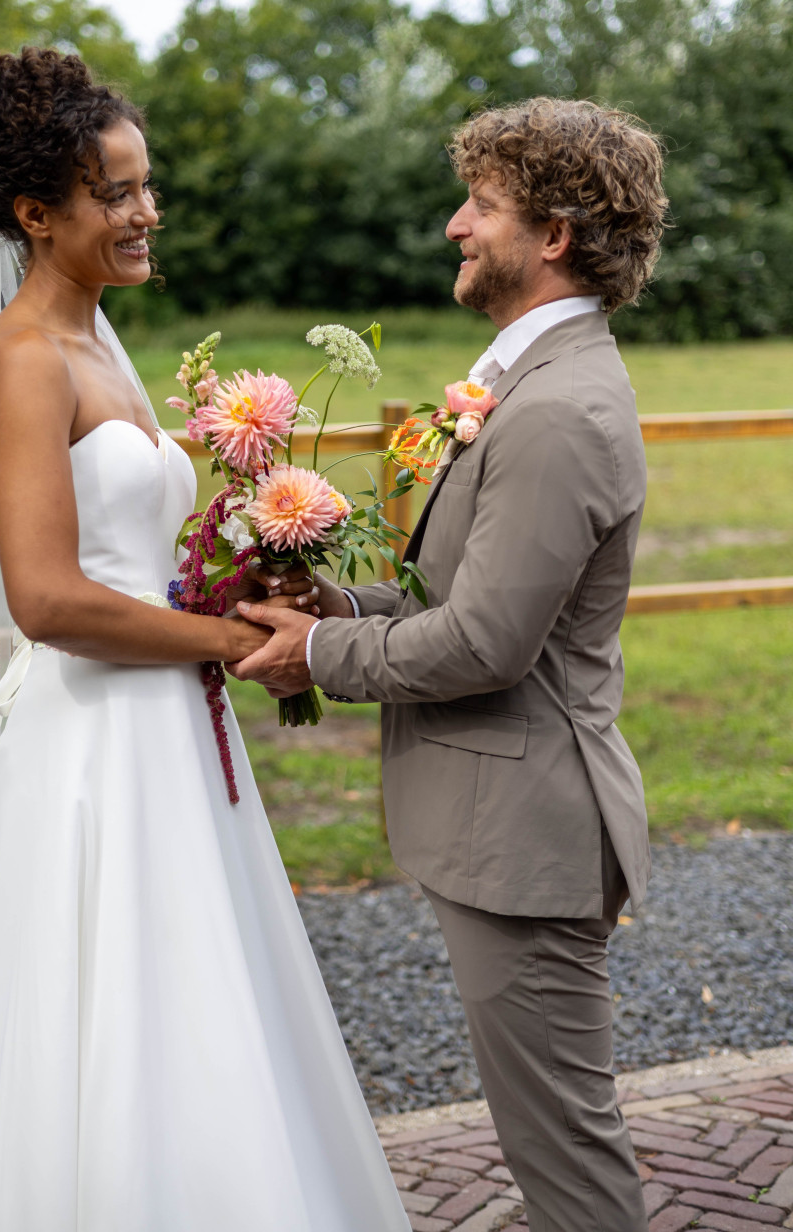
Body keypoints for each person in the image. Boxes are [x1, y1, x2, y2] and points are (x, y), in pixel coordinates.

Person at [0, 47, 410, 1232]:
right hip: (92, 745)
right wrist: (222, 638)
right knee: (111, 1017)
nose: (146, 211)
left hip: (167, 726)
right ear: (35, 215)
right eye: (114, 193)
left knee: (200, 1005)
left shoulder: (100, 348)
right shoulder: (19, 361)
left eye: (145, 185)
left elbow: (130, 554)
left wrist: (251, 573)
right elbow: (48, 600)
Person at [231, 97, 670, 1232]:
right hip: (503, 822)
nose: (454, 227)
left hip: (528, 832)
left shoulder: (559, 408)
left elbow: (484, 644)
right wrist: (338, 603)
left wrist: (316, 652)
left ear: (554, 235)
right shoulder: (525, 381)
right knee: (549, 1140)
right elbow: (458, 597)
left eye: (481, 205)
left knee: (565, 1158)